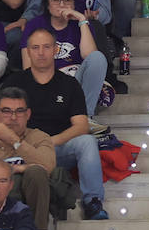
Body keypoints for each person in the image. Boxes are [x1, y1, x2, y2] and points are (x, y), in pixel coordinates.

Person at [16, 30, 106, 220]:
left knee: (87, 142)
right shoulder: (15, 85)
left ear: (56, 50)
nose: (41, 52)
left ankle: (93, 202)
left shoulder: (69, 84)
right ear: (28, 52)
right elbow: (3, 122)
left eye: (46, 47)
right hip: (23, 150)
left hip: (58, 147)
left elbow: (81, 125)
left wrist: (50, 141)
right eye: (35, 48)